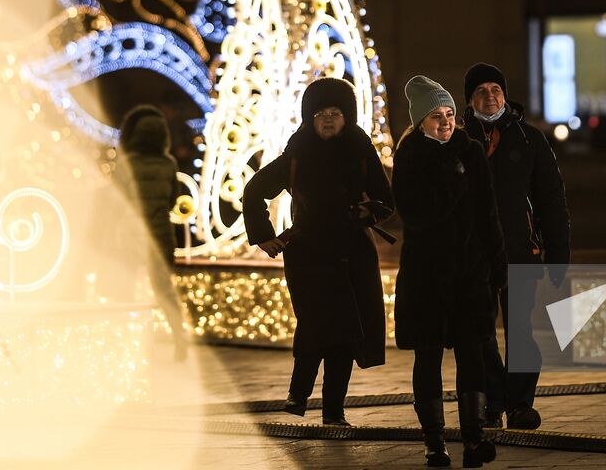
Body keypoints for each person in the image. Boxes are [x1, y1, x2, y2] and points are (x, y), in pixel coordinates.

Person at [242, 77, 393, 426]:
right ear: (310, 117)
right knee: (314, 324)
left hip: (352, 250)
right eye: (321, 113)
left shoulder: (360, 148)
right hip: (309, 252)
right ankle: (299, 393)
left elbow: (387, 199)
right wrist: (263, 235)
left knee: (346, 333)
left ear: (347, 116)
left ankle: (333, 411)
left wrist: (367, 211)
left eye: (336, 112)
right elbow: (255, 191)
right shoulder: (297, 151)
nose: (328, 119)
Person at [393, 76, 504, 468]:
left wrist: (496, 263)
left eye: (450, 113)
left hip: (470, 274)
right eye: (436, 115)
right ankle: (434, 443)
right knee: (428, 357)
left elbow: (488, 211)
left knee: (472, 354)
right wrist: (452, 182)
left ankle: (474, 440)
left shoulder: (469, 151)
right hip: (427, 277)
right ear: (420, 121)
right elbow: (416, 215)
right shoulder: (409, 156)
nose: (445, 121)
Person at [463, 62, 570, 430]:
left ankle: (520, 404)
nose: (489, 96)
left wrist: (559, 255)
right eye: (480, 91)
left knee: (521, 332)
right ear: (470, 99)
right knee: (480, 333)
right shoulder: (459, 140)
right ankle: (493, 402)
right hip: (474, 255)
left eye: (495, 89)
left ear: (505, 96)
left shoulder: (529, 139)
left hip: (520, 250)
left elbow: (551, 199)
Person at [117, 105, 191, 361]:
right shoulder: (169, 164)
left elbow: (119, 197)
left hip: (130, 231)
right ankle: (179, 337)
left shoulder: (126, 163)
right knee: (163, 289)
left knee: (125, 287)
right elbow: (172, 200)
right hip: (160, 233)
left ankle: (125, 343)